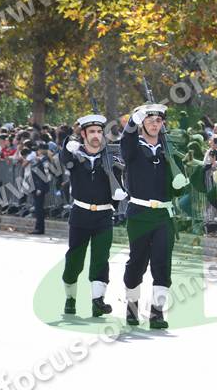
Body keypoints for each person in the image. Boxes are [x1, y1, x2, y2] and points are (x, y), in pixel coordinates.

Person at [121, 103, 189, 329]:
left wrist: (181, 184)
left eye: (158, 120)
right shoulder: (134, 147)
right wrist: (132, 122)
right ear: (142, 123)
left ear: (163, 124)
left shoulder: (169, 150)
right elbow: (126, 145)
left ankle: (157, 313)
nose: (154, 124)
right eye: (149, 120)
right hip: (139, 214)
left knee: (162, 263)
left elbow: (178, 188)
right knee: (137, 263)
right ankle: (132, 307)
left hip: (163, 215)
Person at [60, 114, 126, 317]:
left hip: (104, 216)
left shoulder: (111, 159)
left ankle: (98, 301)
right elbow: (65, 159)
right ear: (83, 134)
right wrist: (69, 142)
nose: (96, 135)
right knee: (74, 261)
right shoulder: (75, 156)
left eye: (99, 131)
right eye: (91, 132)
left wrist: (119, 195)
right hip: (80, 214)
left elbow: (119, 181)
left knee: (101, 259)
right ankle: (70, 298)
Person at [27, 142, 52, 235]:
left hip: (39, 187)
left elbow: (45, 176)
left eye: (38, 149)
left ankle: (39, 228)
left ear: (41, 150)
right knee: (38, 208)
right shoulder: (41, 160)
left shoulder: (45, 161)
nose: (37, 151)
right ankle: (38, 228)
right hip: (36, 186)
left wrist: (40, 188)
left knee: (39, 209)